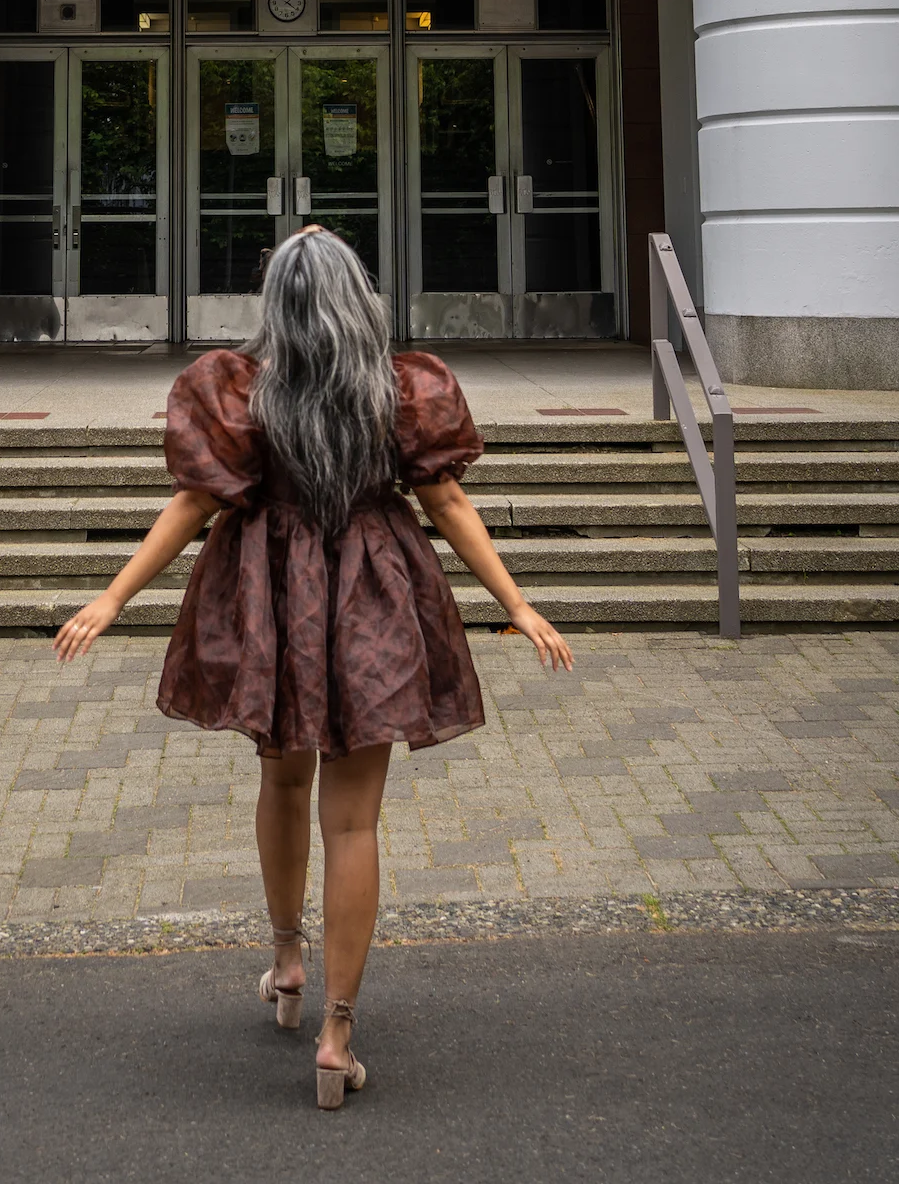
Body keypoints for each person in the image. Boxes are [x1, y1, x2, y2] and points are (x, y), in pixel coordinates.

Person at [53, 225, 573, 1109]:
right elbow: (446, 501)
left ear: (278, 306)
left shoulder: (240, 394)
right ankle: (336, 1033)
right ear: (354, 298)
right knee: (355, 825)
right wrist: (515, 604)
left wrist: (112, 597)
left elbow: (190, 507)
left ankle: (288, 960)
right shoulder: (400, 391)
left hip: (273, 600)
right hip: (375, 598)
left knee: (282, 786)